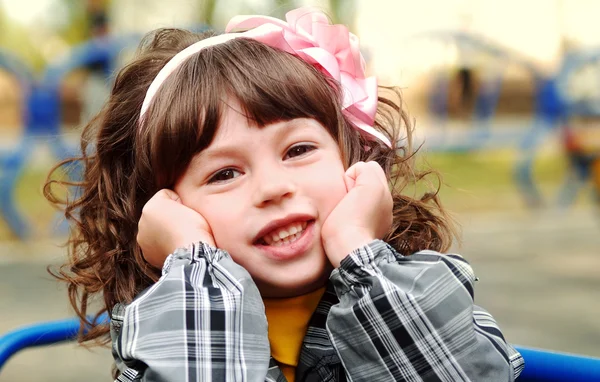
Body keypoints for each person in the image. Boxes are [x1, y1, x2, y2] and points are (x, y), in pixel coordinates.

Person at [45, 7, 524, 382]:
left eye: (297, 149)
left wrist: (361, 252)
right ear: (166, 211)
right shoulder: (165, 321)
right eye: (225, 174)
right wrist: (196, 266)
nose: (274, 188)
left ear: (353, 161)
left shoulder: (416, 288)